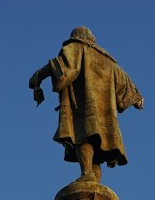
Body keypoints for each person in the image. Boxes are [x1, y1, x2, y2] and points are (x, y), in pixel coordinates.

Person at [29, 28, 143, 179]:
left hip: (82, 106)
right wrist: (137, 98)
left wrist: (37, 77)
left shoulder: (74, 48)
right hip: (104, 115)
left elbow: (62, 66)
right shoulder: (108, 61)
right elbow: (125, 81)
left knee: (81, 136)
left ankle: (87, 174)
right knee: (96, 147)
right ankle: (91, 178)